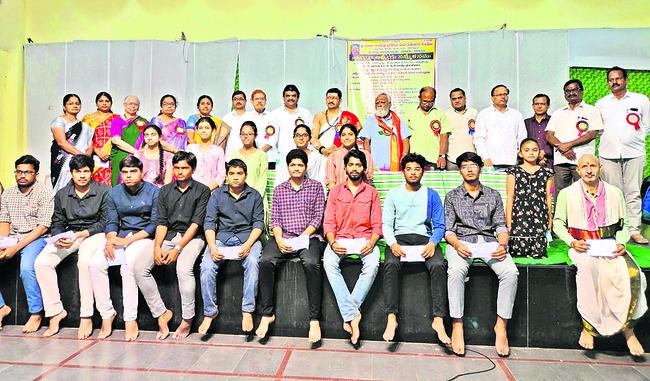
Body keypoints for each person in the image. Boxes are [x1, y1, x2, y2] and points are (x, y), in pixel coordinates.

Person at [553, 154, 647, 356]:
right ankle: (588, 328)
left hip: (609, 243)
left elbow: (624, 225)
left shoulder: (614, 192)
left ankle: (628, 331)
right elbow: (558, 224)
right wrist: (572, 242)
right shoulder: (567, 194)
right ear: (578, 170)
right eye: (584, 166)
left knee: (631, 273)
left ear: (600, 167)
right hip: (582, 245)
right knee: (590, 270)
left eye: (592, 166)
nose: (588, 170)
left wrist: (621, 242)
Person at [444, 151, 518, 357]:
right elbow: (448, 230)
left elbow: (501, 226)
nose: (469, 169)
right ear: (459, 171)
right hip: (462, 242)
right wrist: (457, 245)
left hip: (488, 242)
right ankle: (457, 325)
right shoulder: (452, 196)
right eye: (465, 166)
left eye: (473, 165)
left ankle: (501, 325)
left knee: (511, 273)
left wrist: (503, 245)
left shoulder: (493, 195)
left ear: (480, 169)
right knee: (456, 271)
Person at [133, 151, 210, 340]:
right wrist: (157, 247)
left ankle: (187, 319)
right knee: (139, 268)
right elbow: (161, 222)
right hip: (168, 235)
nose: (180, 172)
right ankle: (161, 313)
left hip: (193, 238)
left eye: (184, 168)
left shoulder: (203, 190)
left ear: (193, 169)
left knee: (184, 269)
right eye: (176, 168)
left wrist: (177, 248)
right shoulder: (165, 191)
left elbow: (196, 224)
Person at [34, 154, 110, 338]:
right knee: (42, 262)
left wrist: (80, 235)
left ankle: (86, 315)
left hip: (94, 234)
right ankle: (55, 312)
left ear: (92, 172)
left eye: (86, 171)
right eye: (78, 172)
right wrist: (59, 237)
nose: (82, 175)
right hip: (70, 235)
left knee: (84, 262)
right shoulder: (62, 194)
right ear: (72, 173)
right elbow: (58, 221)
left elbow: (105, 222)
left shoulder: (104, 191)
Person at [256, 149, 326, 342]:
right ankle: (267, 314)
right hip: (283, 237)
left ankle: (314, 319)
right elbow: (275, 220)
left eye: (300, 165)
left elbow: (317, 218)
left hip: (309, 237)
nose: (296, 168)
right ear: (287, 167)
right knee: (266, 261)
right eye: (293, 165)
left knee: (312, 264)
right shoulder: (279, 189)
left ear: (305, 167)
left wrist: (302, 238)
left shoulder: (316, 187)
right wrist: (278, 239)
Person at [89, 155, 160, 342]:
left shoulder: (154, 192)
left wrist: (126, 242)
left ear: (141, 172)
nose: (128, 176)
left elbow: (154, 225)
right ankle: (107, 315)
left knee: (128, 266)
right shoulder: (113, 193)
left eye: (133, 171)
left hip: (144, 237)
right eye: (125, 172)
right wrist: (111, 239)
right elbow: (111, 221)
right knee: (95, 263)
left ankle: (130, 319)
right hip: (121, 235)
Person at [381, 153, 449, 343]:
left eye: (417, 169)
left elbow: (440, 226)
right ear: (403, 171)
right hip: (399, 239)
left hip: (425, 239)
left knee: (438, 265)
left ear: (423, 171)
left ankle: (438, 319)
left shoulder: (431, 194)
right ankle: (391, 317)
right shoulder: (393, 193)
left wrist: (433, 243)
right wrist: (392, 243)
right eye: (409, 169)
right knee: (391, 265)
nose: (413, 173)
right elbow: (386, 224)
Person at [198, 159, 264, 335]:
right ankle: (210, 312)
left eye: (239, 173)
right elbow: (209, 223)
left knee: (252, 262)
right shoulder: (217, 195)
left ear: (245, 175)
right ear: (226, 176)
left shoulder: (255, 195)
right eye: (232, 174)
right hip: (222, 239)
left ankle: (247, 310)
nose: (235, 177)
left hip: (247, 237)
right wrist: (212, 246)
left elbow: (258, 224)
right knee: (206, 266)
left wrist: (249, 244)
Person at [323, 150, 382, 345]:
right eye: (351, 165)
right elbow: (329, 222)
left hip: (365, 240)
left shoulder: (372, 193)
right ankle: (353, 315)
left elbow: (377, 224)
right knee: (329, 262)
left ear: (363, 168)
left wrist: (372, 243)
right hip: (340, 239)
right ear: (345, 168)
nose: (355, 168)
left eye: (358, 165)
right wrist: (332, 242)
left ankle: (350, 313)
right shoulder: (335, 192)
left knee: (373, 264)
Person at [596, 66, 650, 245]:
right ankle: (615, 229)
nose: (614, 82)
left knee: (633, 192)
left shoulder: (641, 100)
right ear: (607, 83)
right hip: (608, 154)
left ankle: (634, 230)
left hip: (634, 152)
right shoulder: (601, 103)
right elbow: (597, 128)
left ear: (626, 80)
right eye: (611, 79)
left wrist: (637, 138)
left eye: (618, 78)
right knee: (612, 193)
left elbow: (647, 124)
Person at [0, 155, 54, 333]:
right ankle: (1, 308)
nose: (22, 175)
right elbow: (4, 221)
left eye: (27, 172)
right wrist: (3, 244)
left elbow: (43, 227)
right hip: (13, 237)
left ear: (36, 174)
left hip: (35, 238)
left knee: (26, 268)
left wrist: (16, 247)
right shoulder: (8, 193)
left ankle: (36, 312)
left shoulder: (44, 193)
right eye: (19, 171)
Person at [546, 80, 603, 199]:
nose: (571, 93)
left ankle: (584, 218)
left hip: (582, 161)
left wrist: (568, 145)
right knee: (560, 195)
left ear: (581, 91)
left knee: (584, 193)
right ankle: (561, 218)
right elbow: (549, 135)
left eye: (574, 90)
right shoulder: (558, 112)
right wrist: (564, 148)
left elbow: (592, 134)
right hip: (561, 161)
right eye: (567, 91)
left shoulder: (592, 110)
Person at [505, 139, 554, 258]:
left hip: (539, 214)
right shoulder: (513, 171)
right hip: (519, 214)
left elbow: (548, 196)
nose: (531, 153)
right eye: (527, 150)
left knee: (539, 252)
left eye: (534, 150)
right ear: (520, 153)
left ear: (540, 153)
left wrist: (550, 218)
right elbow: (510, 197)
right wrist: (508, 222)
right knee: (517, 252)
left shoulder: (547, 172)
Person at [474, 85, 527, 170]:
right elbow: (479, 138)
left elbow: (522, 137)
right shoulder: (484, 114)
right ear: (492, 98)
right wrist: (485, 157)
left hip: (512, 161)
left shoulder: (516, 114)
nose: (503, 97)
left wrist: (521, 156)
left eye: (505, 94)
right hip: (490, 162)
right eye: (499, 95)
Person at [50, 94, 94, 192]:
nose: (75, 106)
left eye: (77, 103)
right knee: (63, 190)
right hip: (64, 161)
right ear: (64, 106)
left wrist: (86, 159)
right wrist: (81, 155)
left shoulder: (85, 126)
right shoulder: (59, 121)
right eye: (71, 103)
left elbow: (90, 144)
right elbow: (62, 142)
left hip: (82, 163)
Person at [406, 87, 451, 169]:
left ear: (434, 99)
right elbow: (405, 138)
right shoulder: (410, 113)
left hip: (434, 160)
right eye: (424, 101)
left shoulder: (440, 113)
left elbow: (444, 135)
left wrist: (442, 156)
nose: (427, 104)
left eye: (430, 101)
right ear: (419, 98)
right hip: (415, 160)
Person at [360, 93, 407, 171]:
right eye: (377, 103)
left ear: (389, 104)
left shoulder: (398, 120)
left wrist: (404, 155)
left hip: (397, 165)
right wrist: (367, 160)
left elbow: (405, 140)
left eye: (382, 102)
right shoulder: (370, 120)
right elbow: (366, 142)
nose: (379, 104)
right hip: (376, 165)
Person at [109, 95, 149, 186]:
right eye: (130, 103)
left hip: (139, 158)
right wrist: (135, 151)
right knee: (119, 185)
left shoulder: (144, 122)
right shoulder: (117, 120)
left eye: (136, 104)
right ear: (124, 105)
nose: (133, 106)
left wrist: (141, 153)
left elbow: (148, 139)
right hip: (121, 156)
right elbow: (116, 140)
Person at [312, 88, 361, 156]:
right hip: (322, 154)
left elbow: (357, 129)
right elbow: (313, 138)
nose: (331, 100)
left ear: (340, 101)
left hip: (342, 153)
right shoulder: (319, 116)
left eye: (334, 98)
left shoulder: (347, 116)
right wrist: (322, 150)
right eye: (328, 98)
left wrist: (340, 148)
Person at [82, 92, 117, 186]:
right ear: (96, 103)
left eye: (107, 101)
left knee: (109, 184)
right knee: (93, 184)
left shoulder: (117, 118)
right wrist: (97, 151)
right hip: (93, 154)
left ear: (111, 103)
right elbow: (84, 138)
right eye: (101, 101)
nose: (104, 103)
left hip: (111, 156)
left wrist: (109, 152)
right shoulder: (88, 118)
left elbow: (119, 138)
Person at [229, 121, 268, 205]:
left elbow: (262, 180)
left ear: (255, 136)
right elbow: (230, 178)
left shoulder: (261, 155)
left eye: (250, 134)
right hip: (236, 200)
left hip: (256, 200)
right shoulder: (234, 154)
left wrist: (253, 199)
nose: (246, 136)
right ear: (240, 136)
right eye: (243, 134)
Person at [325, 124, 374, 190]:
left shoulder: (366, 155)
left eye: (350, 134)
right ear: (340, 137)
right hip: (339, 196)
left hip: (362, 196)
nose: (347, 138)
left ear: (356, 136)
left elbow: (368, 179)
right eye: (343, 135)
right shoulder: (333, 157)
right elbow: (331, 181)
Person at [271, 85, 314, 160]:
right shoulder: (275, 114)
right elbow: (271, 138)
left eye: (293, 95)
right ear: (283, 97)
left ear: (298, 97)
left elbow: (311, 135)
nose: (290, 98)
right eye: (287, 96)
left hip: (302, 155)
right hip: (281, 156)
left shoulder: (306, 113)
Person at [185, 117, 226, 190]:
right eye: (200, 128)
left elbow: (221, 174)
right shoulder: (190, 149)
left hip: (211, 192)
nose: (203, 131)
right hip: (191, 191)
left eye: (207, 128)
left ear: (213, 131)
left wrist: (207, 189)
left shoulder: (218, 151)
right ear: (197, 130)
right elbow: (185, 169)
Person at [445, 88, 478, 171]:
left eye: (460, 98)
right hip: (452, 160)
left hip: (471, 159)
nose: (457, 101)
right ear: (450, 101)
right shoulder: (446, 114)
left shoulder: (474, 112)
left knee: (472, 183)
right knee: (453, 184)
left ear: (465, 98)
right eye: (454, 99)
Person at [249, 89, 279, 169]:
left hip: (269, 157)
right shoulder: (248, 117)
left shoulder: (272, 116)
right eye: (256, 99)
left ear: (265, 101)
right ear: (252, 101)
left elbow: (273, 138)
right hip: (251, 158)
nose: (259, 101)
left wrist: (259, 153)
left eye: (262, 99)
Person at [524, 94, 553, 168]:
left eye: (543, 104)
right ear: (533, 106)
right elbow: (522, 142)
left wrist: (544, 153)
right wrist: (536, 155)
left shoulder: (553, 121)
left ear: (548, 106)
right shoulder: (526, 123)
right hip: (529, 162)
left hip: (549, 162)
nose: (539, 106)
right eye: (536, 104)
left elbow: (558, 140)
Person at [223, 91, 253, 158]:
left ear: (245, 101)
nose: (238, 101)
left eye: (241, 99)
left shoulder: (252, 117)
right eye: (235, 99)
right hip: (230, 155)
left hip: (249, 156)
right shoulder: (226, 117)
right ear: (232, 102)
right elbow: (223, 138)